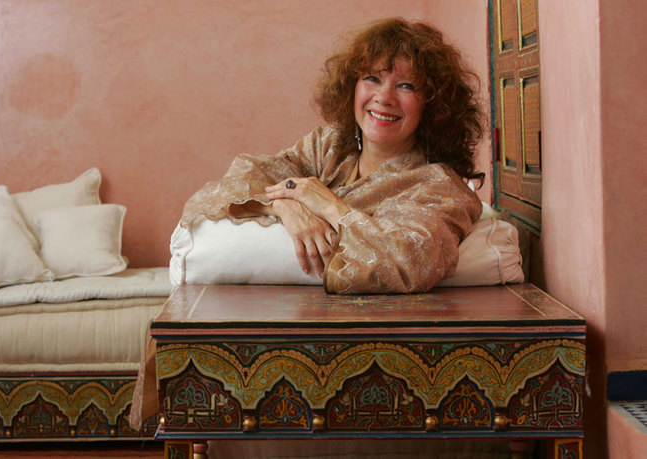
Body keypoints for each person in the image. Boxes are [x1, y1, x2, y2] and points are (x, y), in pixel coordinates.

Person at [174, 17, 485, 294]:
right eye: (372, 78)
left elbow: (410, 263)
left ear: (434, 105)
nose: (384, 97)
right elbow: (239, 178)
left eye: (406, 85)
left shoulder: (440, 187)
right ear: (352, 87)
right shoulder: (328, 147)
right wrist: (283, 206)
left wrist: (331, 206)